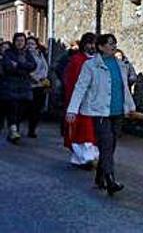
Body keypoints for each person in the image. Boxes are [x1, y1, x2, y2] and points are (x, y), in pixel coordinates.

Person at [66, 33, 135, 196]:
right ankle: (110, 179)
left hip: (117, 111)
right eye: (110, 43)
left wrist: (130, 106)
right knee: (106, 142)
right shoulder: (91, 65)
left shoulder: (120, 65)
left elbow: (124, 88)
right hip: (100, 111)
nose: (113, 46)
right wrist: (72, 109)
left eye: (115, 43)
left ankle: (100, 175)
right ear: (101, 46)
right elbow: (80, 87)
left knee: (111, 145)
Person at [63, 33, 99, 169]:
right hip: (81, 102)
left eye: (94, 43)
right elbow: (72, 82)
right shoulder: (77, 60)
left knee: (94, 131)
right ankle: (84, 158)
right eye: (89, 43)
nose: (92, 46)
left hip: (96, 102)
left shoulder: (99, 60)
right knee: (83, 130)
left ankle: (91, 156)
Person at [1, 33, 37, 143]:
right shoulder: (8, 53)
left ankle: (14, 128)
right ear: (14, 41)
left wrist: (18, 65)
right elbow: (8, 67)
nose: (20, 43)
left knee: (23, 108)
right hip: (11, 85)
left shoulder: (27, 54)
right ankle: (13, 130)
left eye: (22, 40)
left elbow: (33, 66)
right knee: (13, 107)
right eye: (18, 40)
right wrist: (23, 67)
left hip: (24, 87)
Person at [25, 36, 50, 138]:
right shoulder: (25, 55)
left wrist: (44, 78)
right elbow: (26, 69)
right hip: (30, 85)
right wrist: (35, 78)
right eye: (28, 43)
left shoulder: (40, 54)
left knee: (37, 108)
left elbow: (45, 67)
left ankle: (32, 129)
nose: (30, 46)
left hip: (41, 85)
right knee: (29, 108)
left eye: (32, 44)